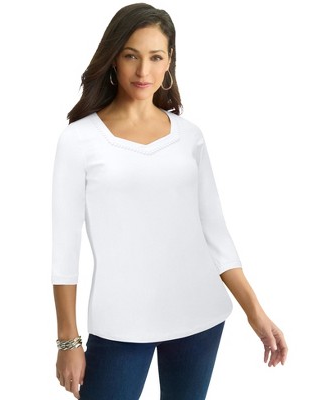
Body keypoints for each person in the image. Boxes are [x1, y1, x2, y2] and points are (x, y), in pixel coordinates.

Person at [51, 3, 288, 399]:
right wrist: (68, 341)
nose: (143, 71)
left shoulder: (189, 136)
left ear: (169, 61)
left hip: (199, 315)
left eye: (155, 57)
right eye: (131, 56)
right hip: (121, 323)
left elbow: (215, 234)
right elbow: (65, 249)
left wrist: (256, 312)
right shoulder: (79, 140)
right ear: (113, 58)